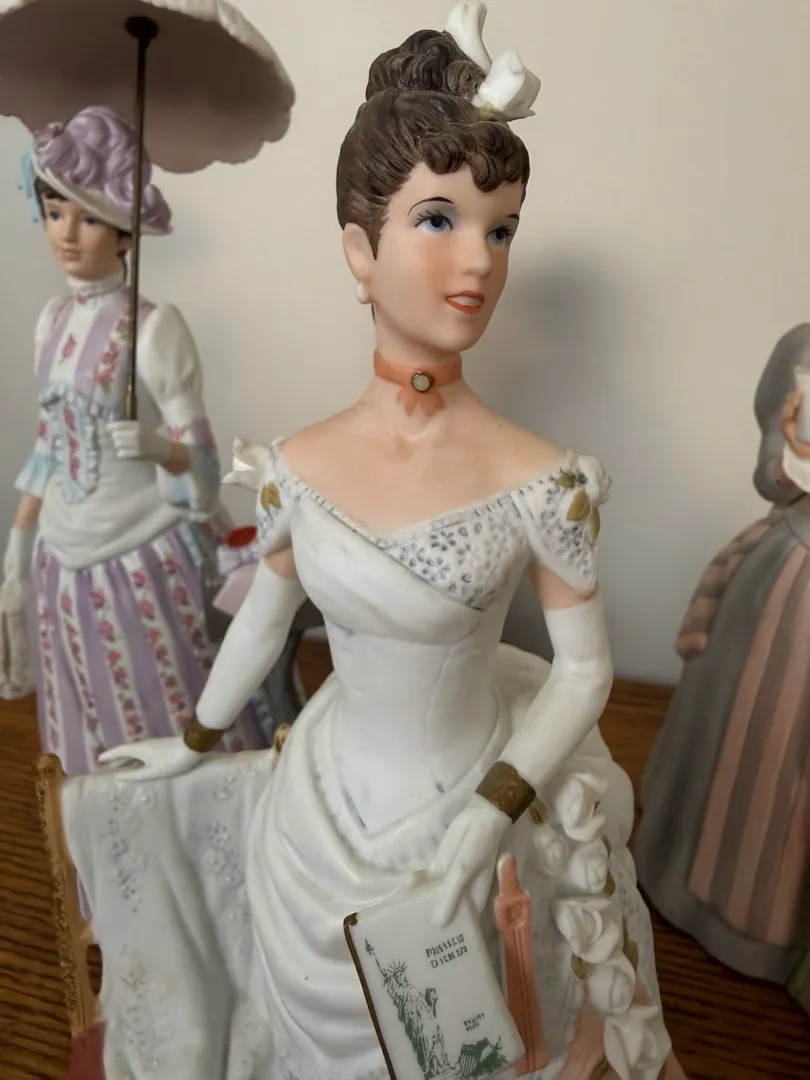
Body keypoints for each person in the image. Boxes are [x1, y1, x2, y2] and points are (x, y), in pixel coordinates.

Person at [66, 8, 683, 1077]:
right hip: (317, 815)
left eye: (501, 229)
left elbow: (584, 676)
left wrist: (484, 824)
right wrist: (196, 740)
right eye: (440, 219)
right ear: (360, 250)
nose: (478, 260)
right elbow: (266, 619)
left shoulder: (545, 481)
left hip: (472, 809)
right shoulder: (297, 465)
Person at [0, 105, 281, 772]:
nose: (67, 234)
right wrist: (20, 542)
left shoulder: (154, 329)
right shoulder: (50, 321)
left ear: (127, 233)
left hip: (140, 556)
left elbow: (203, 468)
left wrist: (161, 449)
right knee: (84, 708)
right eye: (56, 212)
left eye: (90, 218)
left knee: (163, 697)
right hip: (62, 559)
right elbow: (48, 448)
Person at [636, 325, 810, 987]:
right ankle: (735, 914)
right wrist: (796, 453)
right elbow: (771, 475)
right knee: (762, 755)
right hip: (794, 592)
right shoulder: (805, 352)